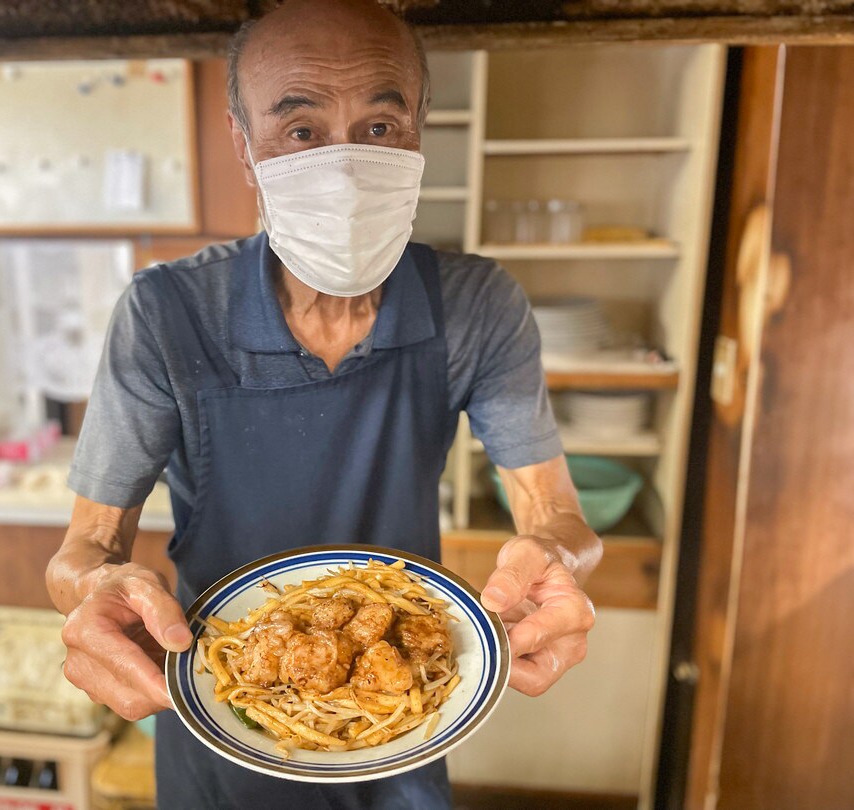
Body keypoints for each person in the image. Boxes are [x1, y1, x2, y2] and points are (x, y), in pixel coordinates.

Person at [47, 0, 601, 806]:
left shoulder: (475, 304)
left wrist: (560, 566)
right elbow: (85, 549)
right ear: (245, 146)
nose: (344, 171)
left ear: (419, 132)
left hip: (409, 710)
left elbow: (556, 519)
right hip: (222, 700)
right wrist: (94, 594)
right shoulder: (168, 312)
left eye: (379, 128)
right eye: (301, 131)